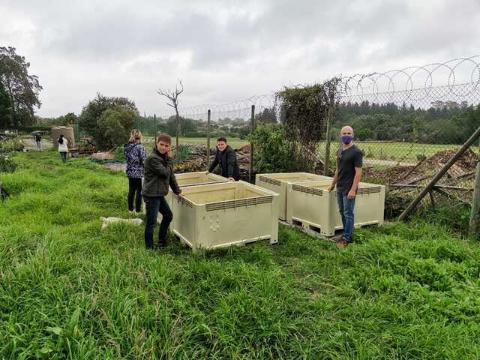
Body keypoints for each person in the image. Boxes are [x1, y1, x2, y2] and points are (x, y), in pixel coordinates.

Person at [143, 133, 181, 250]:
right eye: (161, 144)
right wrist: (169, 159)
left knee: (168, 215)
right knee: (152, 222)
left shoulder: (164, 158)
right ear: (157, 144)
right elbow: (165, 173)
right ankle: (149, 248)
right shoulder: (152, 158)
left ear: (169, 147)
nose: (163, 147)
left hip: (158, 194)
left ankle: (162, 242)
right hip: (151, 194)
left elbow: (171, 176)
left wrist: (177, 191)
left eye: (166, 145)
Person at [327, 126, 363, 248]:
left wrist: (353, 189)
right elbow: (338, 169)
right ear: (340, 135)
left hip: (349, 188)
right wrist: (333, 184)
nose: (346, 135)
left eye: (349, 133)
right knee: (342, 212)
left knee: (348, 213)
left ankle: (347, 239)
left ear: (353, 135)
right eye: (344, 133)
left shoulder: (356, 152)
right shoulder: (339, 151)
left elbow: (358, 173)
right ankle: (347, 234)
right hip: (340, 187)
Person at [124, 129, 146, 214]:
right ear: (139, 136)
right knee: (139, 192)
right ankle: (137, 210)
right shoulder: (140, 147)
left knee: (131, 191)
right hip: (139, 173)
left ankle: (130, 209)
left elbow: (126, 158)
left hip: (130, 171)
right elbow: (143, 160)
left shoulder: (127, 147)